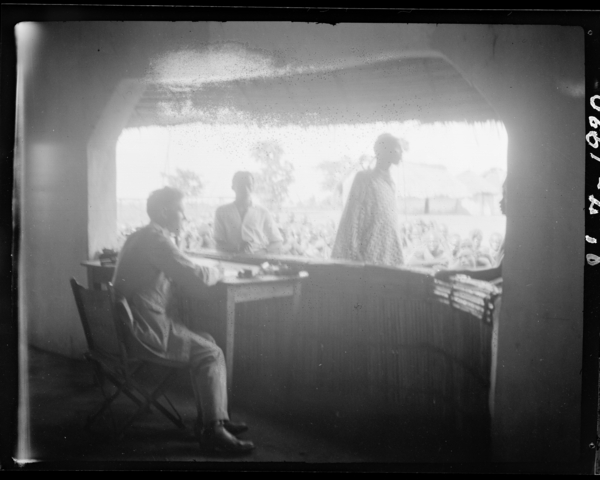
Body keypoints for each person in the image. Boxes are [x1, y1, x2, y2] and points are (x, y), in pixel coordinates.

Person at [112, 187, 254, 454]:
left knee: (207, 341)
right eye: (181, 210)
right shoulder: (156, 240)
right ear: (165, 211)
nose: (185, 217)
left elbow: (177, 267)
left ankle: (213, 419)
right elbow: (195, 276)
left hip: (129, 327)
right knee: (211, 353)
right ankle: (213, 432)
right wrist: (219, 270)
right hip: (145, 329)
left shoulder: (139, 237)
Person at [331, 133, 404, 267]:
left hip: (388, 251)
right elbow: (352, 217)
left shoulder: (390, 182)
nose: (401, 154)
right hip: (369, 253)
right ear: (383, 151)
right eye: (396, 149)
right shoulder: (364, 179)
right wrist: (354, 254)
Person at [213, 171, 283, 255]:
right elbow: (218, 242)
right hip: (230, 259)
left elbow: (277, 241)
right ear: (233, 187)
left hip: (257, 259)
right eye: (241, 185)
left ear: (253, 187)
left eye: (249, 185)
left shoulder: (263, 212)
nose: (245, 189)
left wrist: (263, 251)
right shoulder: (222, 211)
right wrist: (237, 248)